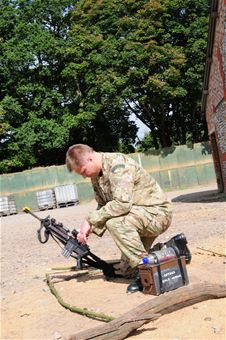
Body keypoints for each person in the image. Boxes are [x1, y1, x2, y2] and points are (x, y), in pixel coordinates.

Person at [65, 144, 172, 292]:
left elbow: (122, 204)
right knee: (126, 270)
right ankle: (174, 249)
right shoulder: (97, 174)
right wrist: (87, 229)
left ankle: (147, 272)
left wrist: (90, 220)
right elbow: (103, 206)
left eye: (83, 171)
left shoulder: (118, 166)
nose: (84, 176)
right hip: (137, 217)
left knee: (115, 223)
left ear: (90, 159)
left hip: (157, 214)